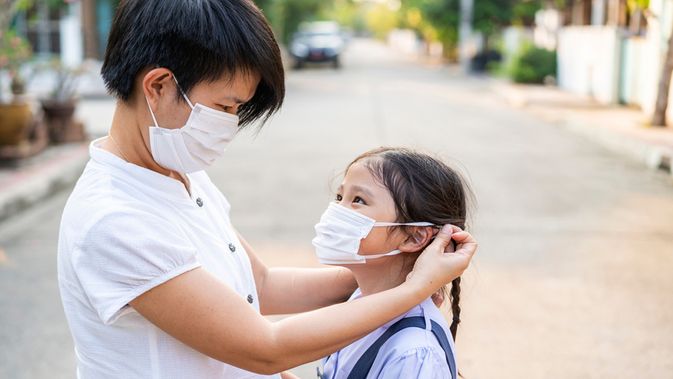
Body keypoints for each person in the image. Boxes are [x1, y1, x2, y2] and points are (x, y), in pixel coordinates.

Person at [57, 1, 478, 378]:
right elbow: (265, 348)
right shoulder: (115, 218)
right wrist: (412, 289)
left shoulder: (178, 172)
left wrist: (385, 271)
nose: (232, 123)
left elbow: (260, 285)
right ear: (159, 86)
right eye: (225, 106)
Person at [314, 147, 472, 379]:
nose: (337, 211)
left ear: (414, 236)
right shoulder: (361, 299)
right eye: (339, 197)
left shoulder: (413, 354)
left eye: (358, 200)